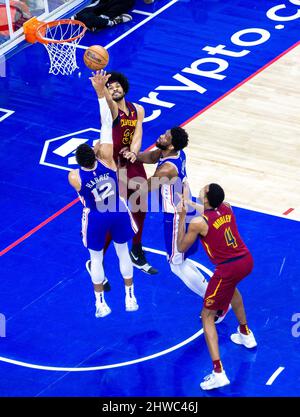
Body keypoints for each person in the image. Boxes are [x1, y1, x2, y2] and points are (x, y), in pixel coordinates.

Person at [68, 70, 139, 318]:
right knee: (122, 252)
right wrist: (101, 93)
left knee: (96, 260)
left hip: (96, 216)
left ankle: (100, 303)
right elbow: (106, 123)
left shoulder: (74, 176)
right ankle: (130, 297)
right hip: (118, 211)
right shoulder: (108, 160)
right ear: (96, 152)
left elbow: (83, 167)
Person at [176, 183, 257, 390]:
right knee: (233, 291)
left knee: (207, 316)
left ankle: (218, 372)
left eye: (203, 190)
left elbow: (181, 246)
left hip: (227, 268)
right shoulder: (227, 208)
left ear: (206, 197)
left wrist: (181, 216)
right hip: (246, 260)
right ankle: (246, 334)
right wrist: (189, 203)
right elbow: (210, 211)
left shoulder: (197, 223)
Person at [133, 127, 210, 301]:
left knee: (176, 265)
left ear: (172, 144)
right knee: (180, 261)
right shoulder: (175, 153)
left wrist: (117, 182)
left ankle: (214, 301)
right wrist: (134, 156)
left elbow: (144, 188)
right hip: (185, 208)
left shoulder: (167, 170)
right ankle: (212, 294)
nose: (161, 135)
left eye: (166, 136)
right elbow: (152, 156)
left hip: (177, 216)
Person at [103, 71, 157, 275]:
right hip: (113, 163)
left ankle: (136, 249)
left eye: (117, 86)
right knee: (120, 211)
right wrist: (101, 87)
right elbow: (106, 100)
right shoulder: (111, 110)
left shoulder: (138, 109)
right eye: (111, 87)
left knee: (141, 206)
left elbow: (137, 133)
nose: (114, 89)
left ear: (124, 87)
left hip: (130, 160)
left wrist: (135, 153)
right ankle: (98, 255)